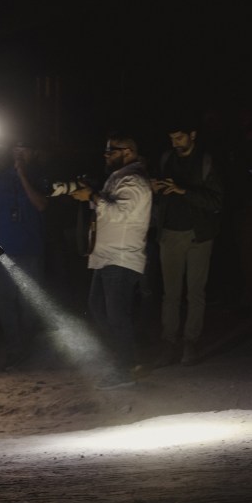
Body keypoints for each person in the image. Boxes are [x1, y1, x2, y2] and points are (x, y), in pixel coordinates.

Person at [70, 133, 152, 389]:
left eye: (111, 151)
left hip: (122, 255)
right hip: (106, 256)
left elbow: (119, 213)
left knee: (115, 314)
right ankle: (126, 360)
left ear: (127, 151)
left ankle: (126, 368)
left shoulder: (134, 180)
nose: (106, 155)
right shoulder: (119, 177)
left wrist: (92, 197)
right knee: (100, 309)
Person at [152, 117, 223, 367]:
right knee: (170, 293)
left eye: (179, 137)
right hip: (170, 233)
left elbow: (216, 201)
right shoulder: (166, 159)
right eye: (172, 138)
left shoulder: (205, 161)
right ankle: (168, 342)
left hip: (198, 235)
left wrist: (183, 190)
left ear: (193, 135)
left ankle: (190, 342)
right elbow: (162, 196)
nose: (175, 143)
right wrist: (157, 188)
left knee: (195, 292)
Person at [0, 137, 49, 369]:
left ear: (31, 152)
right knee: (5, 303)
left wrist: (22, 176)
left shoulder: (39, 177)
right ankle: (15, 349)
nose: (18, 152)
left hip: (30, 249)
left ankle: (27, 345)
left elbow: (41, 205)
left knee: (28, 304)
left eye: (23, 148)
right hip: (2, 250)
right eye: (15, 148)